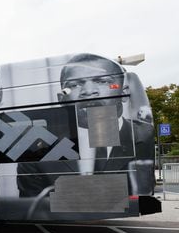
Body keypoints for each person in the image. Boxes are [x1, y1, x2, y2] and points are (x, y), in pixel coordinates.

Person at [16, 54, 155, 198]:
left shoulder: (143, 136)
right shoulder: (37, 149)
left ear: (125, 93)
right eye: (75, 85)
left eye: (102, 81)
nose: (89, 91)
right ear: (61, 99)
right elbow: (33, 205)